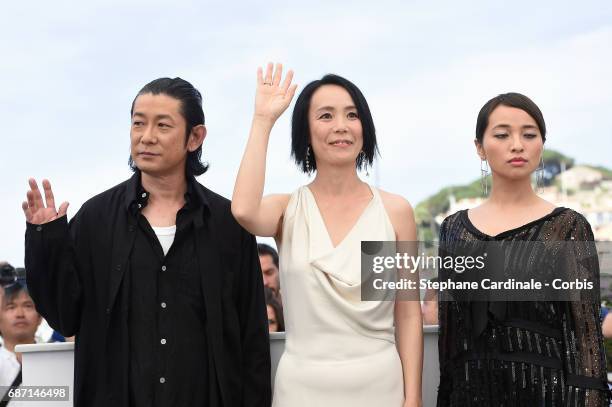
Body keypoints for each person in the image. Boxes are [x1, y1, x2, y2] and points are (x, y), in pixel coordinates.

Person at [22, 78, 270, 407]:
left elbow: (252, 338)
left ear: (195, 137)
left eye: (162, 125)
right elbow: (65, 315)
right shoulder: (96, 218)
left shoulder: (228, 223)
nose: (146, 136)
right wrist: (46, 241)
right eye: (138, 123)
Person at [232, 63, 423, 407]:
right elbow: (244, 210)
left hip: (380, 387)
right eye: (325, 116)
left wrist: (413, 398)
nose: (341, 126)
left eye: (352, 115)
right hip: (302, 390)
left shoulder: (395, 212)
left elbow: (408, 314)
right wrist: (262, 121)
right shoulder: (286, 210)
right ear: (305, 132)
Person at [437, 93, 610, 406]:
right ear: (479, 147)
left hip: (549, 394)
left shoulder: (567, 228)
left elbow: (585, 341)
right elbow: (451, 335)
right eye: (502, 135)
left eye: (529, 135)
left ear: (541, 145)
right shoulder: (454, 229)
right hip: (471, 393)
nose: (517, 145)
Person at [0, 280, 42, 403]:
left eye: (28, 306)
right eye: (11, 307)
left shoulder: (58, 357)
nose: (20, 314)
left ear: (40, 317)